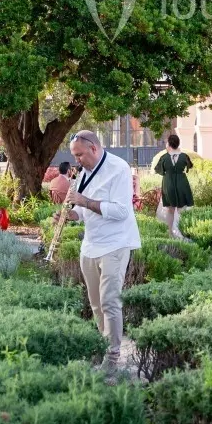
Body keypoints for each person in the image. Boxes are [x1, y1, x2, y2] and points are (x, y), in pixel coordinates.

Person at [63, 130, 141, 376]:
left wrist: (84, 201)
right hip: (90, 245)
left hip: (115, 244)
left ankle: (113, 357)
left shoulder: (119, 169)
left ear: (94, 148)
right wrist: (71, 214)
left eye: (79, 155)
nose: (76, 160)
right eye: (74, 156)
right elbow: (83, 211)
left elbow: (121, 211)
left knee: (110, 301)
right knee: (96, 305)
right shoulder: (84, 172)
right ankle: (103, 346)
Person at [154, 134, 194, 238]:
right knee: (181, 210)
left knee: (170, 210)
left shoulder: (164, 157)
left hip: (169, 184)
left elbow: (158, 169)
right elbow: (190, 166)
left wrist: (168, 171)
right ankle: (181, 232)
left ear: (169, 144)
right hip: (182, 183)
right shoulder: (184, 156)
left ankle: (170, 233)